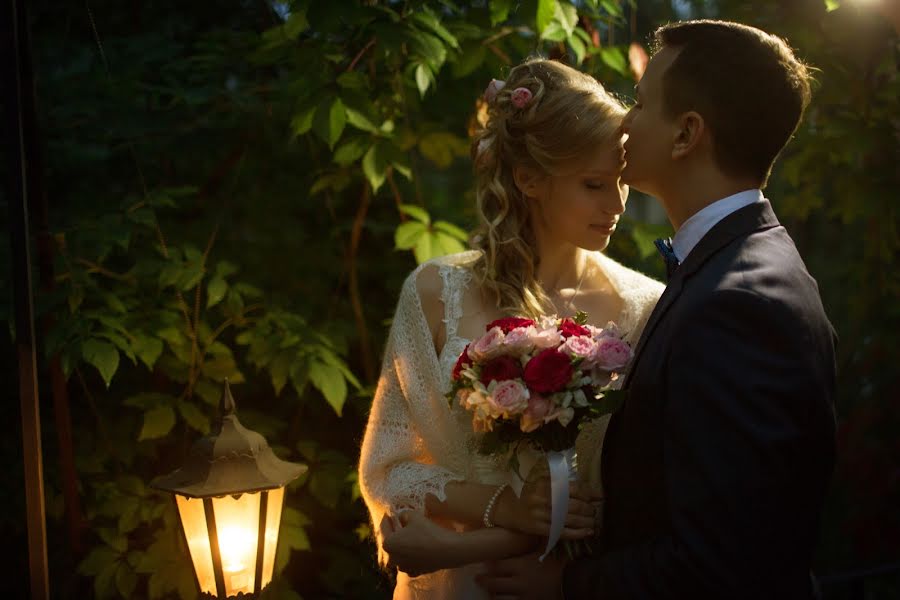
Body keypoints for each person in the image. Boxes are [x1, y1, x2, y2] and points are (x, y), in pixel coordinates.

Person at [477, 20, 839, 599]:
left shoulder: (737, 303)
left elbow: (721, 564)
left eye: (641, 104)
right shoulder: (735, 264)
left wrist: (568, 583)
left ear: (685, 134)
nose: (625, 122)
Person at [357, 58, 664, 599]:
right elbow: (390, 468)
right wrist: (504, 510)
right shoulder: (433, 294)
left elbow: (647, 499)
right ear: (528, 178)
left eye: (622, 182)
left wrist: (484, 542)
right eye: (594, 184)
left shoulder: (644, 307)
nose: (616, 204)